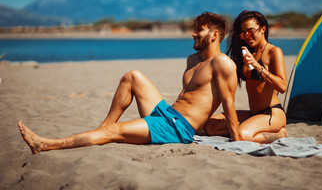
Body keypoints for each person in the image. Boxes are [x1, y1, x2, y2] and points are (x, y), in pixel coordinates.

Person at [18, 12, 240, 154]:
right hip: (167, 113)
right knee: (132, 76)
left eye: (199, 29)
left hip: (178, 128)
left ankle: (46, 144)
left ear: (214, 35)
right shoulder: (193, 60)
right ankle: (102, 128)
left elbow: (228, 105)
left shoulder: (223, 64)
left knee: (114, 133)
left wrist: (238, 141)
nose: (193, 33)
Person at [204, 10, 288, 143]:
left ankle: (280, 135)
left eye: (251, 31)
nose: (247, 36)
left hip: (272, 113)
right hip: (253, 113)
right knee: (210, 126)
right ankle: (249, 129)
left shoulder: (274, 51)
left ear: (263, 29)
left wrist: (257, 66)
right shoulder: (247, 53)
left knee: (242, 135)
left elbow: (282, 86)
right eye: (244, 33)